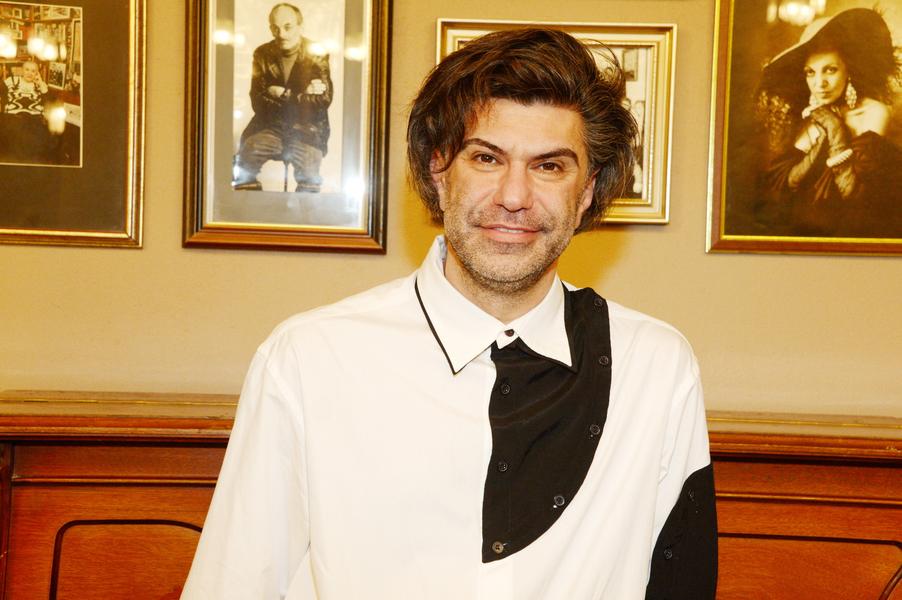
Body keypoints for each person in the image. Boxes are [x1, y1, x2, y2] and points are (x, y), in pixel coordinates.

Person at [182, 28, 717, 600]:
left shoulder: (655, 367)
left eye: (549, 166)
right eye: (486, 158)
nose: (514, 196)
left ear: (586, 191)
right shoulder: (309, 360)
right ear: (438, 171)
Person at [755, 8, 902, 237]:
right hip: (803, 236)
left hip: (855, 237)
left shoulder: (873, 112)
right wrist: (822, 133)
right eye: (810, 73)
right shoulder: (811, 118)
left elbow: (855, 196)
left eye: (830, 70)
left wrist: (835, 129)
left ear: (849, 70)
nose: (819, 83)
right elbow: (784, 186)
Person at [233, 2, 333, 192]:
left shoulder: (317, 53)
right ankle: (251, 208)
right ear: (270, 28)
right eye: (275, 28)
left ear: (300, 26)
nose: (282, 34)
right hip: (270, 126)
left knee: (310, 178)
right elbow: (257, 101)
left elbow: (323, 100)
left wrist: (284, 94)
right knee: (243, 166)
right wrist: (302, 96)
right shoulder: (262, 54)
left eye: (288, 27)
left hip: (307, 129)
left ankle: (302, 211)